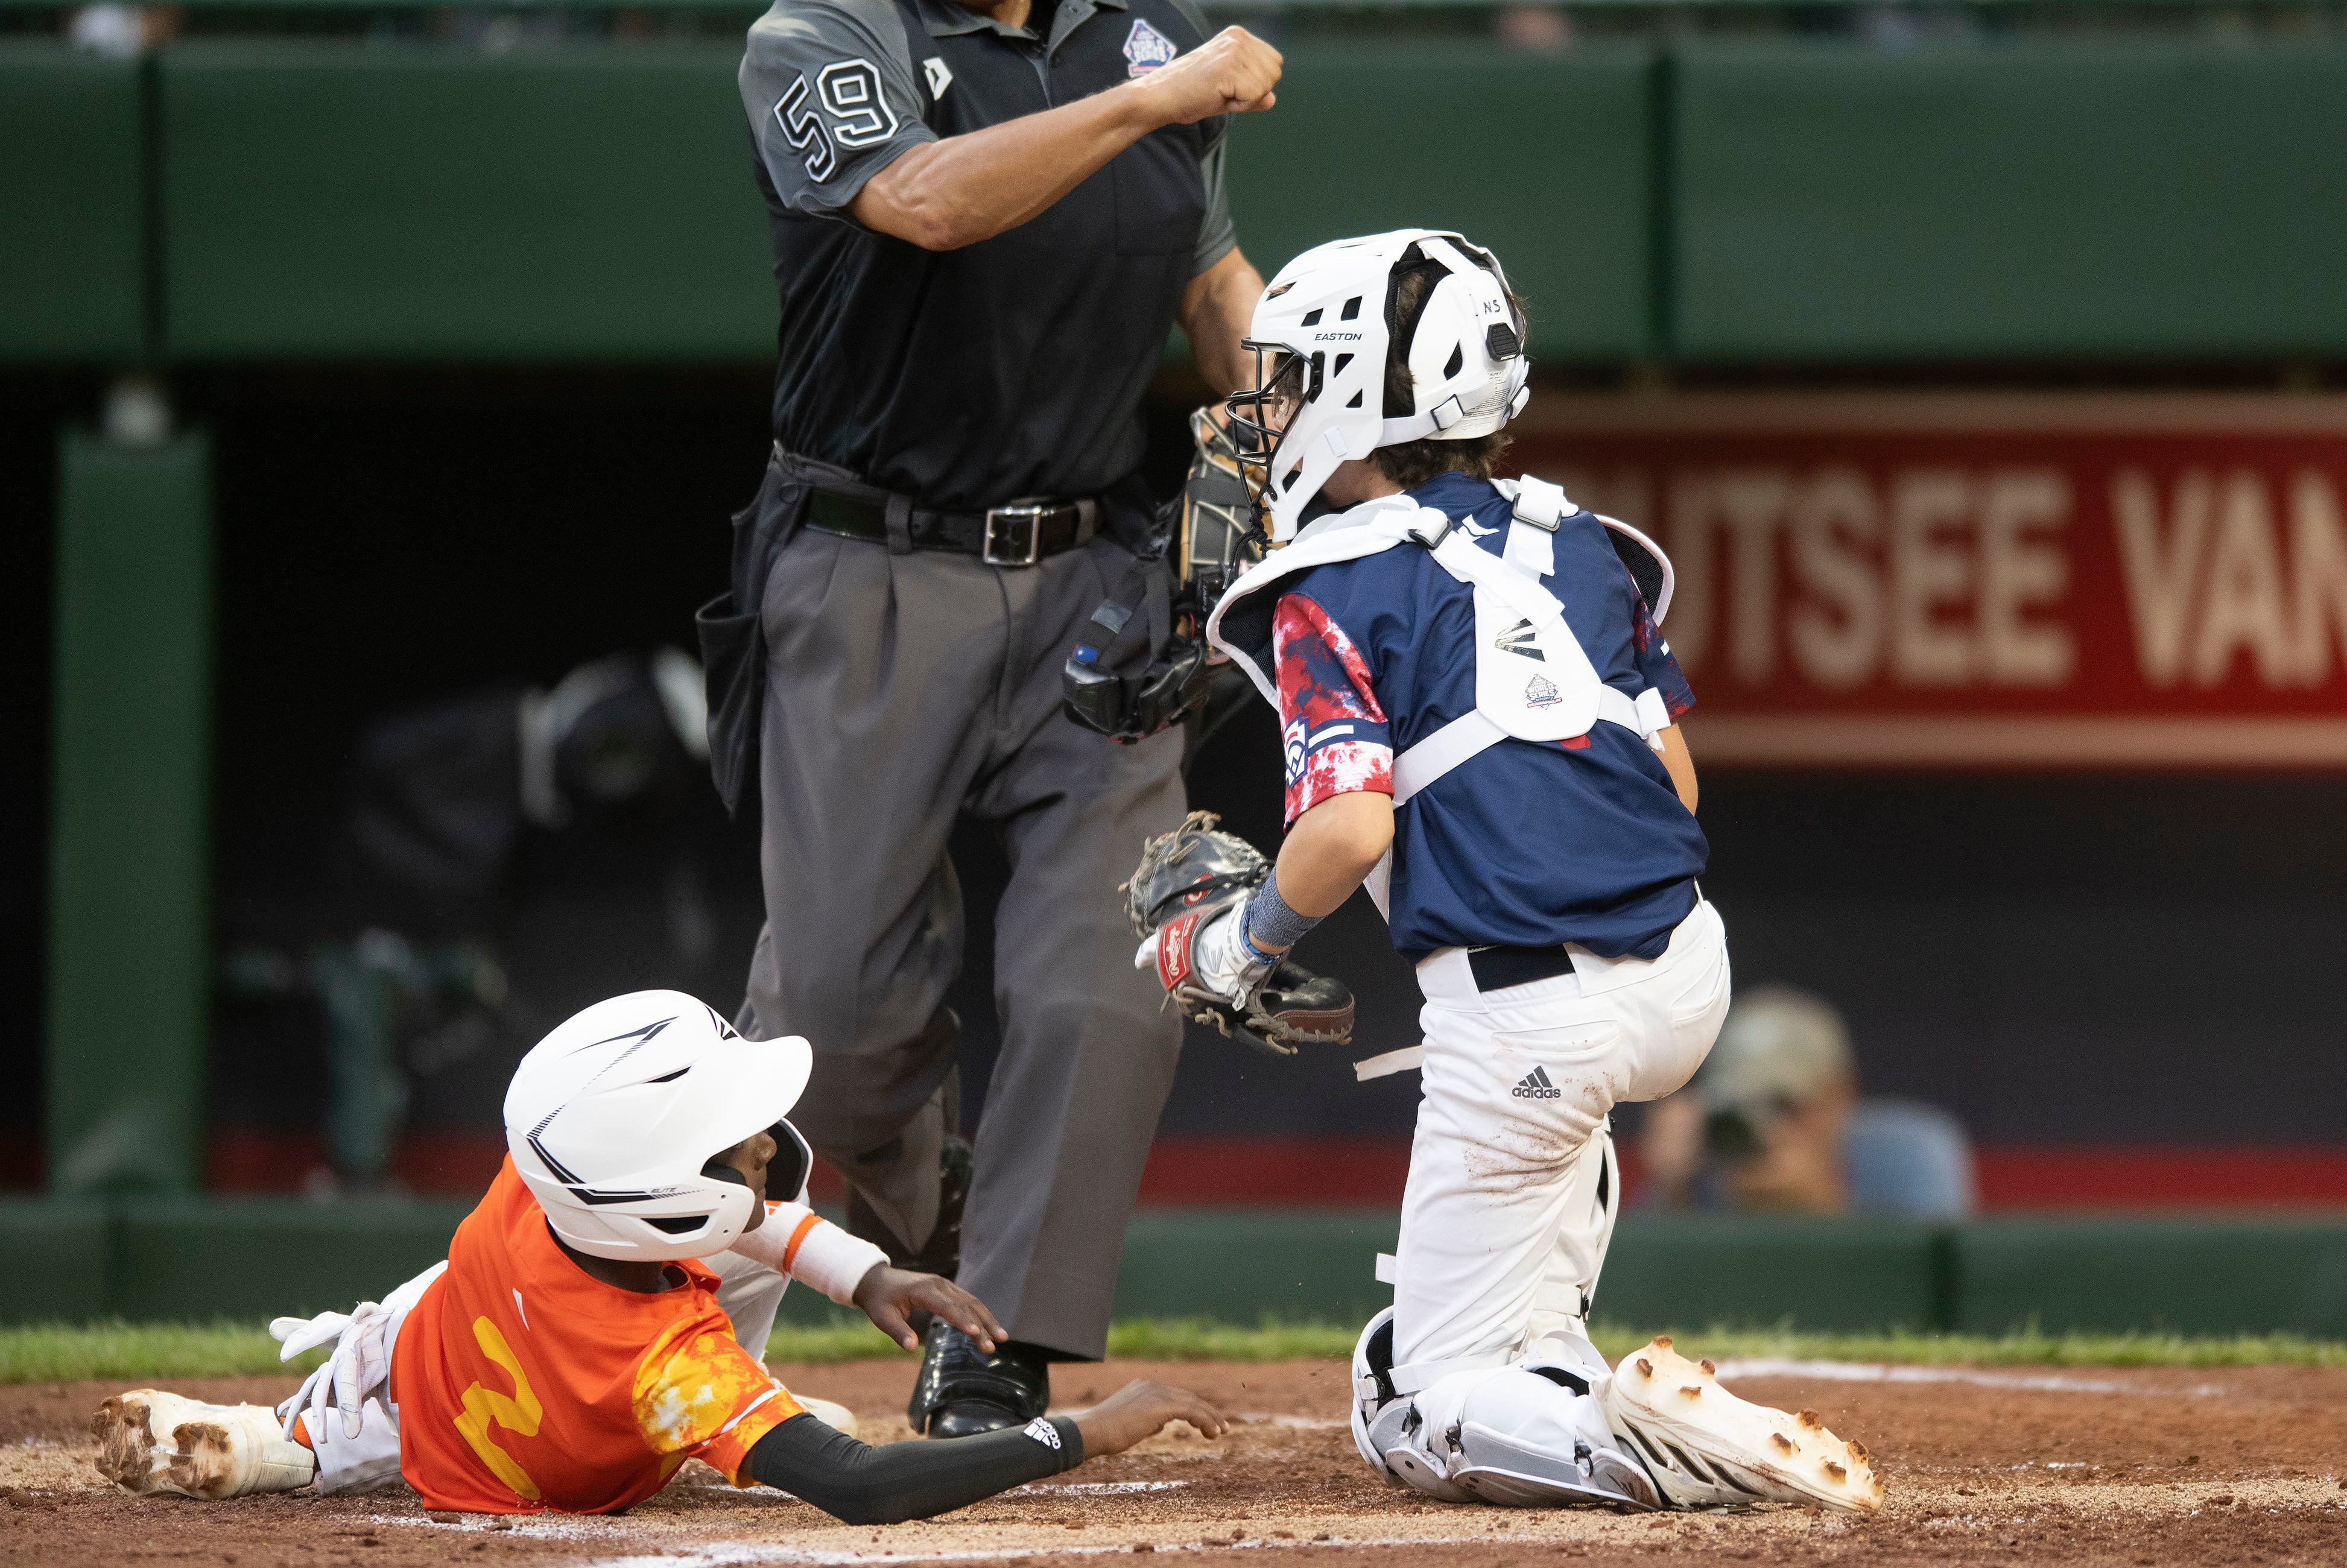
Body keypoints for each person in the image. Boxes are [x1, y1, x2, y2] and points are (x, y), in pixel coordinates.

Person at [1135, 230, 1881, 1513]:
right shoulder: (1578, 538)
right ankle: (1552, 1348)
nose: (1273, 407)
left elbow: (1350, 830)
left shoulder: (1326, 581)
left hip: (1535, 1010)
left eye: (1298, 377)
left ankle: (1662, 1454)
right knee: (1502, 1251)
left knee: (1414, 1405)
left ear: (1368, 390)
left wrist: (1233, 945)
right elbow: (1676, 782)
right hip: (1688, 972)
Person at [700, 0, 1282, 1438]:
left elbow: (1215, 296)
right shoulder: (823, 31)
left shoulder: (1147, 42)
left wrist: (1302, 434)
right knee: (824, 1027)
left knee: (1113, 967)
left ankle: (998, 1334)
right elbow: (923, 199)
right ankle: (923, 1190)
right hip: (870, 561)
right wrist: (1157, 102)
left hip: (1095, 576)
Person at [91, 991, 1224, 1516]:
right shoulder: (672, 1363)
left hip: (449, 1337)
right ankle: (295, 1441)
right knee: (765, 1419)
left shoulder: (536, 1179)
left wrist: (864, 1271)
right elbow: (861, 1487)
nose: (761, 1154)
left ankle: (299, 1425)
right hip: (513, 1454)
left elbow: (717, 1219)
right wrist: (1081, 1431)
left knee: (433, 1302)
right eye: (728, 1150)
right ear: (661, 1192)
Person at [1640, 984, 1978, 1219]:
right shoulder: (1707, 1156)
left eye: (1785, 1103)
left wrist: (1822, 1210)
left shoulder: (1910, 1153)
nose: (1768, 1126)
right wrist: (1673, 1193)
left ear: (1840, 1095)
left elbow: (1939, 1294)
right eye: (1744, 1103)